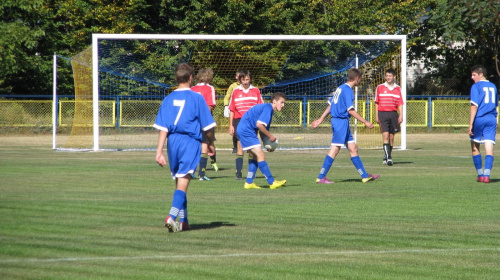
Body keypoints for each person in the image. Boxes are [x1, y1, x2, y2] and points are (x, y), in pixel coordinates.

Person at [154, 63, 216, 233]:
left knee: (180, 182)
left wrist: (159, 151)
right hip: (190, 141)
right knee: (183, 181)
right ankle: (171, 217)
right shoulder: (197, 98)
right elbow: (208, 126)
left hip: (172, 142)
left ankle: (185, 221)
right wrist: (210, 144)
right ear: (191, 78)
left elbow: (163, 128)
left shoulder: (168, 99)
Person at [311, 68, 380, 184]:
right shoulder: (347, 90)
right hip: (340, 122)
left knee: (353, 148)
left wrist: (320, 120)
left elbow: (330, 106)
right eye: (360, 79)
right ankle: (321, 177)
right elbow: (351, 110)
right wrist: (365, 122)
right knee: (335, 149)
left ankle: (364, 176)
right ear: (357, 78)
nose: (360, 81)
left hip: (341, 122)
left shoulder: (340, 88)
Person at [237, 92, 288, 189]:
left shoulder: (268, 109)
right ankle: (271, 182)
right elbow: (259, 125)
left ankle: (249, 182)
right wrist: (270, 136)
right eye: (281, 102)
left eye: (284, 103)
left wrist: (266, 144)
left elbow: (262, 129)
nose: (283, 105)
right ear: (274, 101)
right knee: (261, 155)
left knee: (255, 156)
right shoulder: (268, 108)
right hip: (246, 131)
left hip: (245, 130)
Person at [228, 70, 264, 180]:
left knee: (252, 149)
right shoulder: (235, 92)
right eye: (243, 80)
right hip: (239, 121)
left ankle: (250, 173)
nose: (245, 82)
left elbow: (261, 108)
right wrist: (231, 125)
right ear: (240, 80)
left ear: (250, 79)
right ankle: (238, 174)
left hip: (252, 122)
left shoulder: (256, 91)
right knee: (240, 146)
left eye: (247, 79)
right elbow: (232, 110)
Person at [469, 65, 498, 183]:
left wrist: (470, 123)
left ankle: (480, 174)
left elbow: (474, 105)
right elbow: (495, 104)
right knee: (489, 146)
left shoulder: (476, 86)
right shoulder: (493, 86)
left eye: (474, 75)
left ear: (481, 75)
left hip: (480, 118)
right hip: (492, 118)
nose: (472, 77)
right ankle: (487, 175)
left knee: (475, 146)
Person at [191, 68, 218, 180]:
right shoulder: (210, 88)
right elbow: (210, 106)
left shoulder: (191, 88)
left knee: (193, 146)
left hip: (192, 121)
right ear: (208, 77)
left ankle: (190, 171)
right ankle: (201, 174)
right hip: (204, 121)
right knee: (205, 144)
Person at [374, 68, 404, 166]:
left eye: (390, 76)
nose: (388, 78)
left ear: (394, 77)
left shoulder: (398, 88)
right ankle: (389, 158)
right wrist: (376, 115)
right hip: (383, 114)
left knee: (391, 137)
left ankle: (387, 155)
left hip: (393, 114)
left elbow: (400, 103)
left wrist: (401, 115)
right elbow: (376, 102)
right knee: (385, 135)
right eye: (387, 76)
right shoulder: (380, 87)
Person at [224, 70, 245, 153]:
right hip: (235, 110)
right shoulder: (233, 86)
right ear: (236, 77)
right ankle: (235, 147)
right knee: (235, 129)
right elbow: (227, 96)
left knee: (245, 129)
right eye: (238, 76)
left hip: (244, 110)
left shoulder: (246, 86)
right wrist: (226, 106)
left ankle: (245, 146)